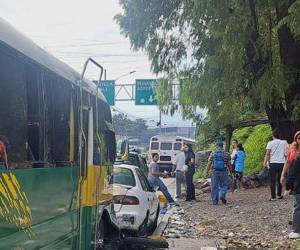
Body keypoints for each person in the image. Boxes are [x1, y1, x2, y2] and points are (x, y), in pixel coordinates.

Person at [263, 130, 289, 201]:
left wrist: (265, 162)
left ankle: (273, 197)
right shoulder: (284, 142)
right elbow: (286, 153)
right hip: (282, 163)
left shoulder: (270, 143)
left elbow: (268, 153)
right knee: (280, 178)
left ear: (273, 135)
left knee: (272, 180)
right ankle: (279, 195)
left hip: (273, 163)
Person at [285, 155, 300, 239]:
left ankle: (296, 231)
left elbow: (292, 174)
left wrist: (288, 186)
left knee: (298, 209)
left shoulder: (298, 159)